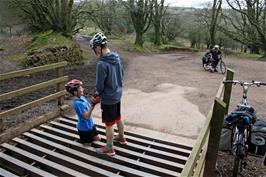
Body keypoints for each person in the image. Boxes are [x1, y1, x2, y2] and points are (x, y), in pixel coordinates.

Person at [90, 32, 126, 156]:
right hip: (117, 94)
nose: (95, 52)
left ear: (98, 47)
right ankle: (121, 137)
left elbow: (100, 85)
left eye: (94, 49)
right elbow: (122, 75)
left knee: (109, 124)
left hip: (108, 98)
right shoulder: (116, 57)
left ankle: (109, 148)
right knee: (118, 117)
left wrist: (96, 94)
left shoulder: (102, 64)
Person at [65, 79, 101, 145]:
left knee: (98, 139)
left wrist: (94, 97)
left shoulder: (82, 97)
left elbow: (88, 106)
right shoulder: (78, 103)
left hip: (91, 125)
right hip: (84, 129)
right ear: (75, 92)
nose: (83, 89)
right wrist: (93, 105)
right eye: (80, 88)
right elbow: (86, 116)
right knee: (88, 145)